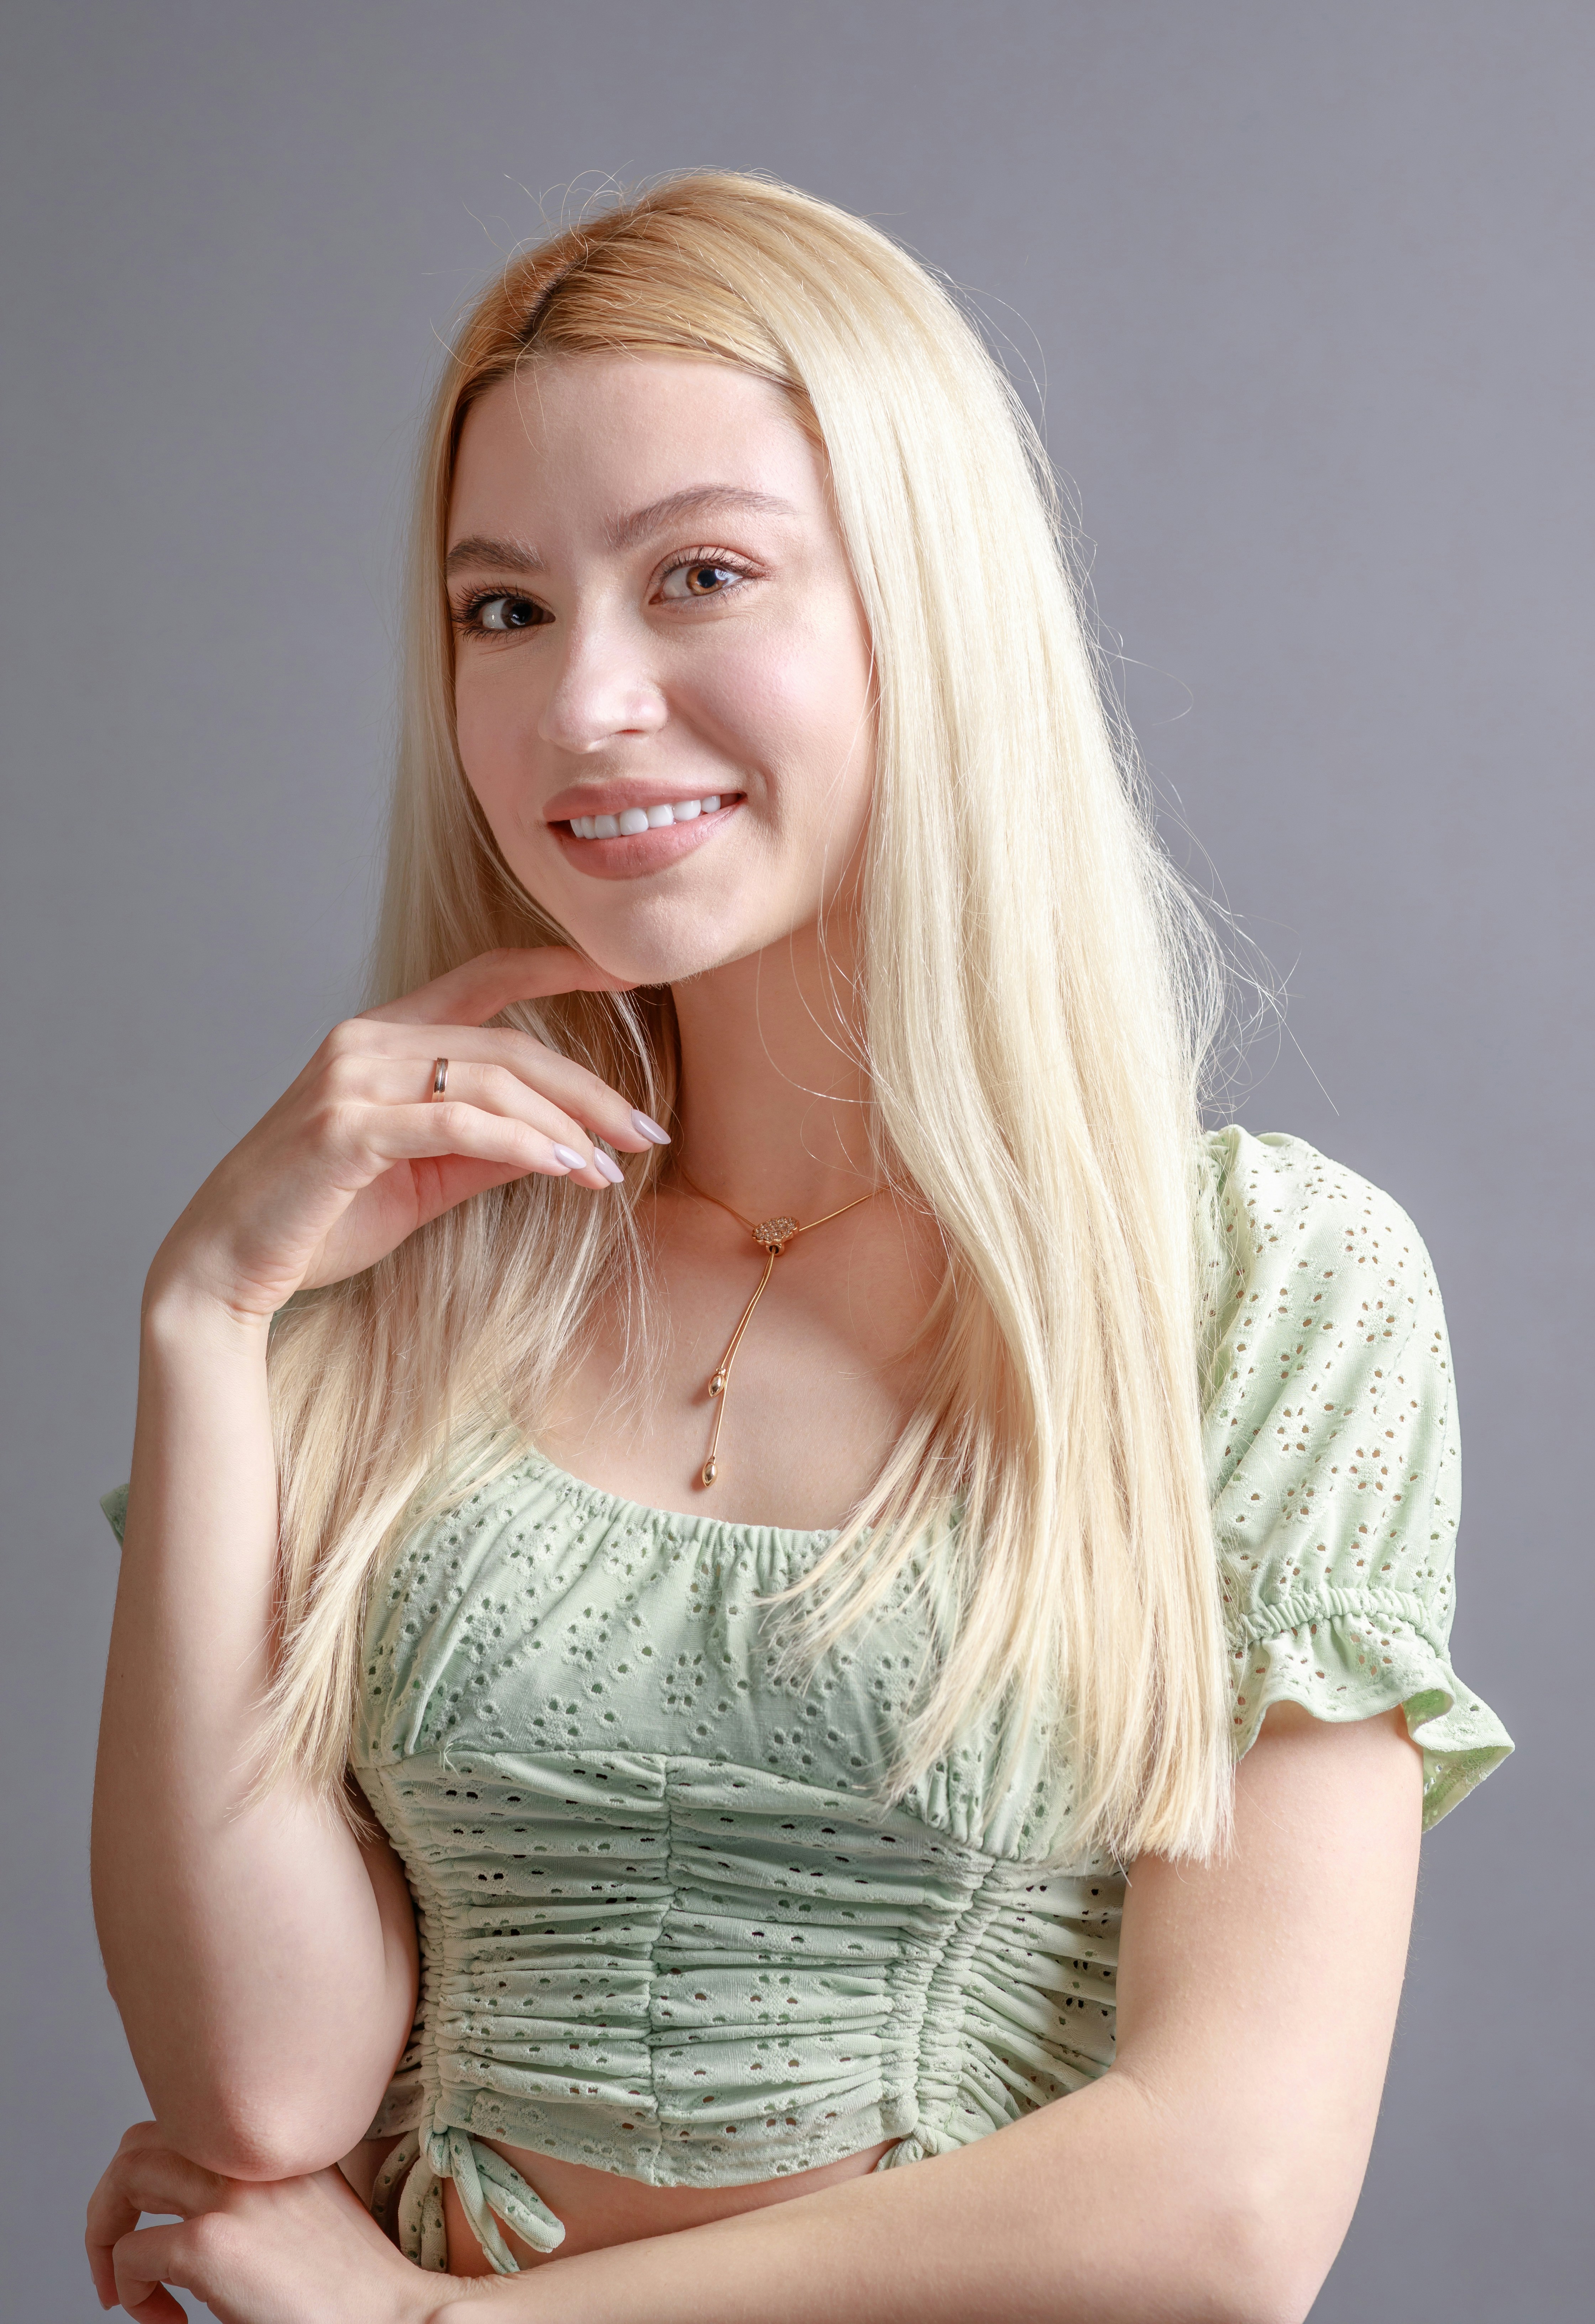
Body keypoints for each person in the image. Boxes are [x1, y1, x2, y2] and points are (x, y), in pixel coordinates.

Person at [83, 172, 1512, 2324]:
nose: (584, 706)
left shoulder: (1258, 1291)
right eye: (505, 609)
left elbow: (1226, 2206)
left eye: (702, 576)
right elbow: (263, 2087)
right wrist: (205, 1319)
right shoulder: (386, 1279)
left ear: (927, 613)